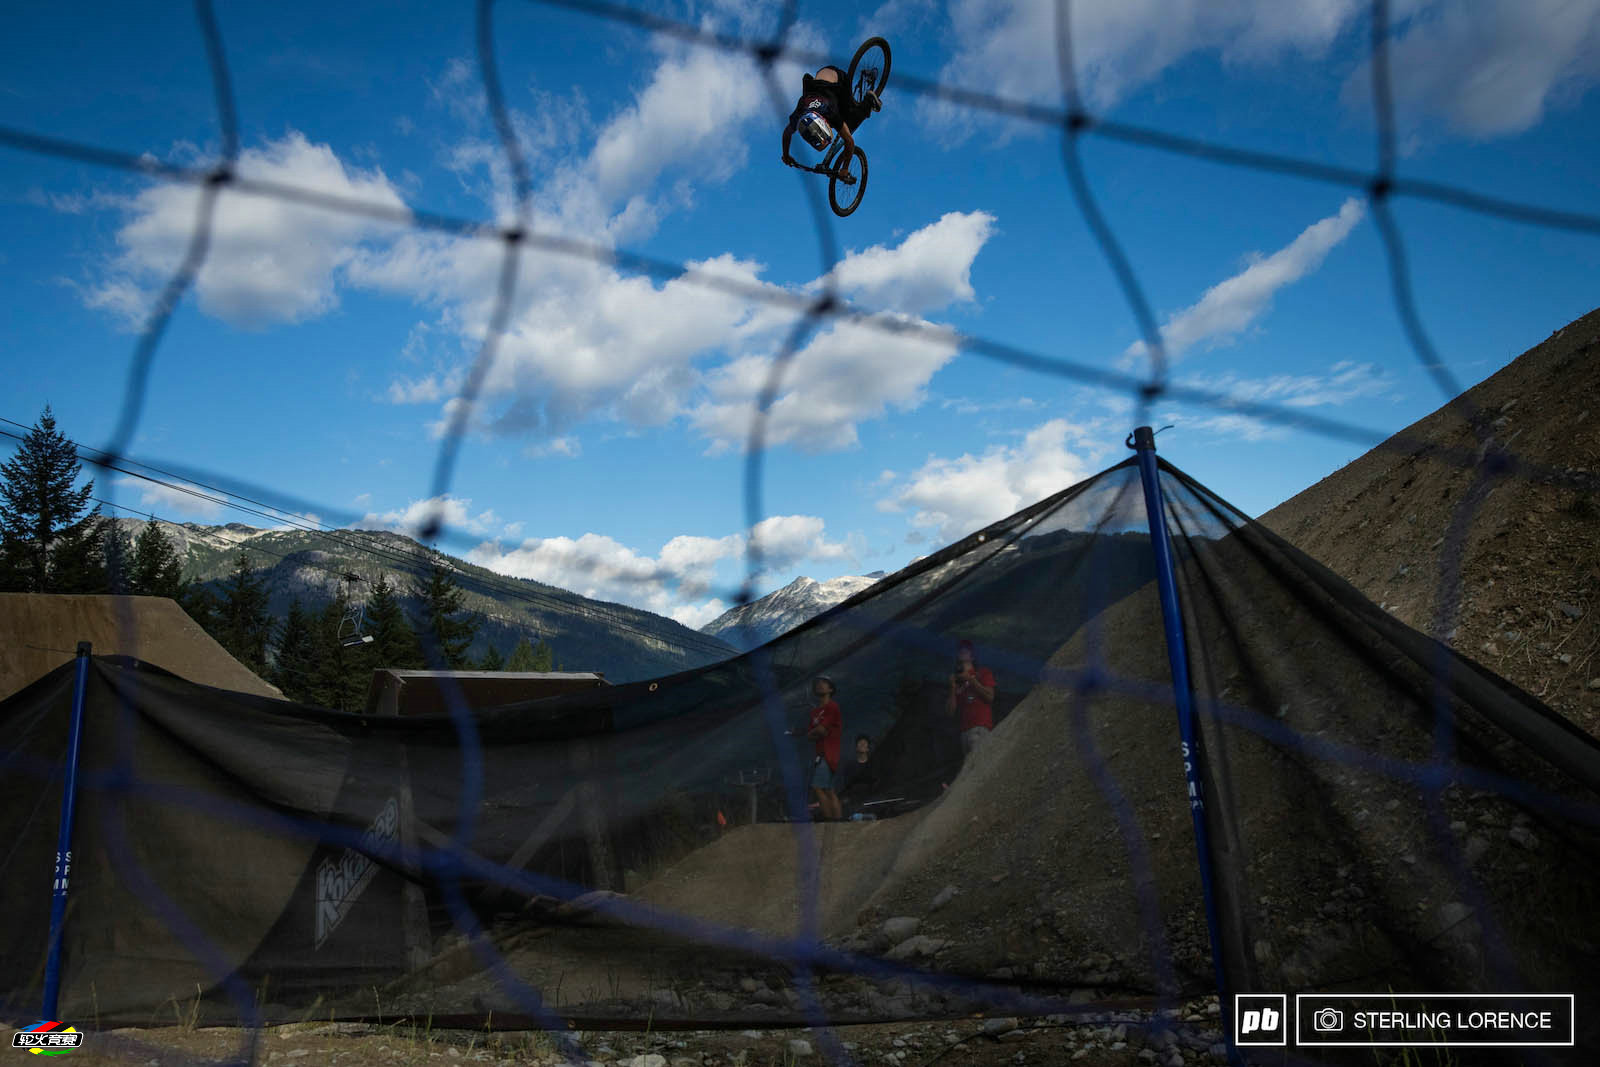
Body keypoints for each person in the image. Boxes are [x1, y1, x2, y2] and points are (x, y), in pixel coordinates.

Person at [780, 64, 878, 180]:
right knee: (841, 122)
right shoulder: (801, 111)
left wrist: (845, 169)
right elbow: (787, 133)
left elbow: (850, 142)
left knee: (852, 121)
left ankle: (869, 100)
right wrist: (785, 155)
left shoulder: (831, 113)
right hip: (822, 76)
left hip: (839, 78)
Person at [802, 675, 843, 821]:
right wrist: (817, 732)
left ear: (831, 689)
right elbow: (811, 734)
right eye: (818, 683)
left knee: (818, 787)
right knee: (828, 789)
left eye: (824, 683)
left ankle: (830, 820)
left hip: (829, 753)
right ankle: (837, 821)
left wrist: (818, 732)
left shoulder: (832, 707)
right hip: (819, 755)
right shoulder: (814, 712)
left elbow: (821, 730)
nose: (820, 685)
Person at [946, 639, 996, 758]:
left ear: (973, 656)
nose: (962, 651)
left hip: (979, 728)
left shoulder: (983, 673)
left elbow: (990, 697)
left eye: (966, 650)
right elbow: (950, 712)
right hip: (964, 733)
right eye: (960, 650)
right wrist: (952, 689)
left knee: (978, 764)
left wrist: (971, 680)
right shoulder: (957, 682)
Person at [833, 733, 877, 802]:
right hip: (853, 799)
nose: (862, 744)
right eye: (860, 743)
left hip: (870, 798)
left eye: (864, 743)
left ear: (868, 748)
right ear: (856, 748)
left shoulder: (873, 765)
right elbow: (847, 786)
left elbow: (875, 783)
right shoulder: (850, 766)